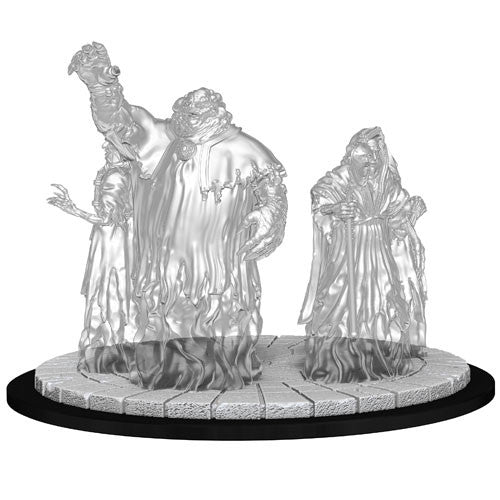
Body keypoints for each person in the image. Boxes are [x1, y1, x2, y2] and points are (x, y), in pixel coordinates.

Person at [66, 42, 287, 390]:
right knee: (165, 313)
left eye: (196, 114)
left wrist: (269, 215)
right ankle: (167, 369)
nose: (188, 119)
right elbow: (119, 120)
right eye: (185, 112)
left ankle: (222, 369)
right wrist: (101, 85)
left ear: (216, 114)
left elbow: (272, 188)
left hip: (220, 261)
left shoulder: (243, 149)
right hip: (166, 261)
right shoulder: (162, 138)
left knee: (220, 312)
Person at [299, 127, 426, 382]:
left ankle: (380, 358)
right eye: (368, 155)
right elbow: (320, 198)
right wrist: (336, 209)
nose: (373, 160)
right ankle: (337, 360)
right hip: (350, 246)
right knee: (342, 297)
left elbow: (398, 213)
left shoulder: (384, 180)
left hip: (379, 249)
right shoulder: (341, 177)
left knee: (383, 297)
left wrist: (411, 213)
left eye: (377, 153)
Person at [48, 143, 137, 373]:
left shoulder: (116, 177)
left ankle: (110, 350)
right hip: (112, 240)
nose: (106, 147)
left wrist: (73, 209)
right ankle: (109, 349)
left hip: (111, 242)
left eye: (111, 145)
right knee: (110, 291)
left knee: (108, 290)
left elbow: (107, 218)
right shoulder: (118, 173)